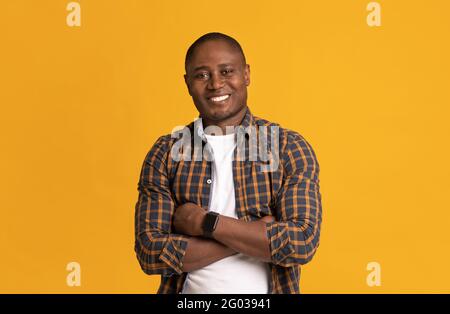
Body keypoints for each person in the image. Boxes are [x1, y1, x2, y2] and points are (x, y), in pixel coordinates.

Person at [134, 32, 322, 294]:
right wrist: (255, 233)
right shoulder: (166, 152)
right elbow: (150, 253)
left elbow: (300, 243)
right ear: (187, 83)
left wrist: (206, 223)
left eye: (226, 71)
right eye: (202, 75)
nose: (215, 84)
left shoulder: (287, 147)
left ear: (246, 74)